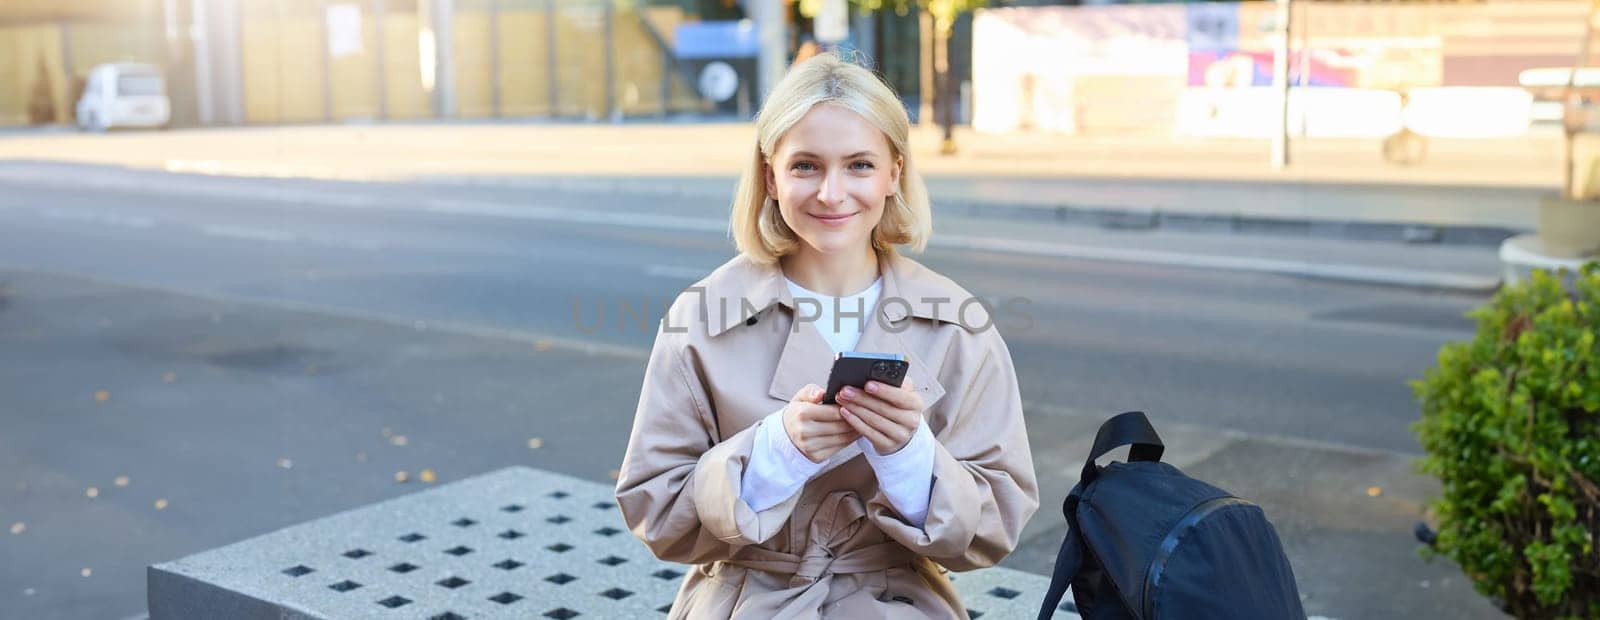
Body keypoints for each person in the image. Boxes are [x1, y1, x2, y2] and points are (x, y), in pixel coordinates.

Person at [615, 52, 1038, 619]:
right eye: (806, 166)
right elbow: (655, 511)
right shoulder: (701, 315)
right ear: (770, 176)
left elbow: (996, 526)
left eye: (859, 165)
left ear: (895, 173)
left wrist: (909, 457)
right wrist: (772, 453)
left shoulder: (958, 321)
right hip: (745, 600)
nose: (831, 194)